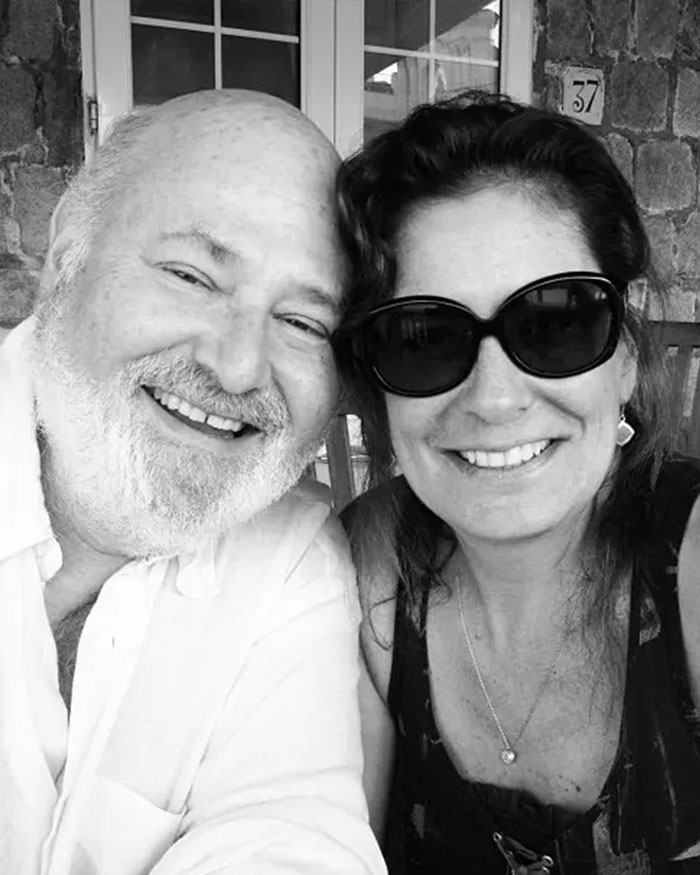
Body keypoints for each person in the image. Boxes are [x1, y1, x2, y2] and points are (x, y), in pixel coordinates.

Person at [0, 88, 386, 875]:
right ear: (67, 253)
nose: (237, 365)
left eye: (304, 323)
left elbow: (294, 837)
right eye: (191, 275)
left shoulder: (293, 560)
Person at [333, 90, 700, 873]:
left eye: (557, 319)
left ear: (627, 357)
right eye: (425, 337)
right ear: (378, 383)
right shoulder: (369, 570)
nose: (496, 398)